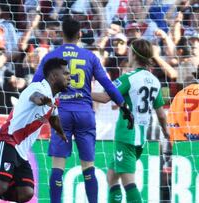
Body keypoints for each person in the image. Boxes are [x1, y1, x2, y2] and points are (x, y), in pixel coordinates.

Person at [31, 16, 133, 203]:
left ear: (62, 34)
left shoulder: (51, 56)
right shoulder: (90, 57)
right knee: (88, 167)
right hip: (85, 113)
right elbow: (108, 86)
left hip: (61, 113)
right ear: (80, 35)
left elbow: (35, 84)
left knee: (58, 166)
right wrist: (123, 106)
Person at [0, 58, 70, 203]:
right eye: (66, 74)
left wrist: (61, 132)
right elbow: (35, 98)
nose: (70, 77)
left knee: (26, 192)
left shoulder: (54, 97)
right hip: (6, 140)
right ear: (54, 76)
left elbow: (53, 118)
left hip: (20, 151)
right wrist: (44, 100)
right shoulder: (38, 88)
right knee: (0, 187)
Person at [92, 39, 170, 203]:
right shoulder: (155, 81)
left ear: (133, 54)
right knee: (112, 176)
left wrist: (82, 92)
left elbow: (106, 98)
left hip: (126, 135)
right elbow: (162, 115)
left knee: (129, 183)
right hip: (141, 138)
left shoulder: (128, 78)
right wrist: (166, 132)